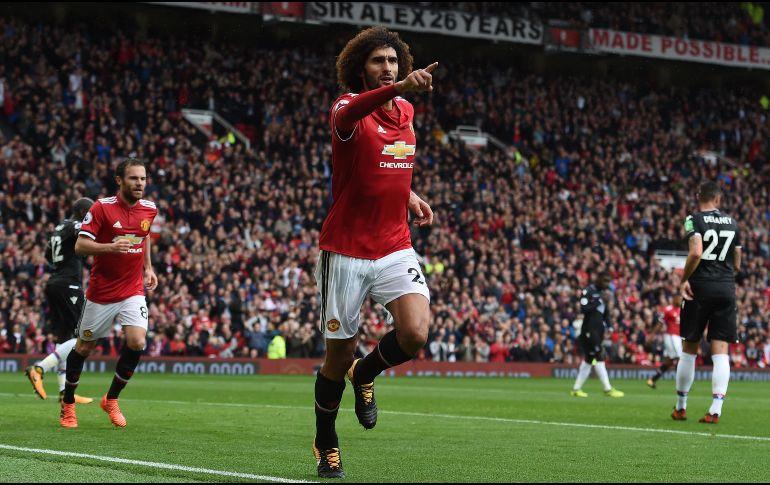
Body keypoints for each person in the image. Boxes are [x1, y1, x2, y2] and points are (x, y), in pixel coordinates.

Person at [311, 26, 436, 479]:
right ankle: (326, 440)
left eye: (393, 61)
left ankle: (365, 373)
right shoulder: (346, 108)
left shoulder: (406, 111)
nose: (387, 67)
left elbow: (391, 161)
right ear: (360, 68)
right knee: (336, 358)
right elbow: (354, 121)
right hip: (345, 250)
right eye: (378, 61)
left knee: (415, 333)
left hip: (394, 244)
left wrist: (409, 195)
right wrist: (397, 87)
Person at [59, 158, 158, 428]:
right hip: (101, 293)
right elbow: (80, 246)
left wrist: (148, 268)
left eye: (143, 178)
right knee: (84, 347)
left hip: (132, 290)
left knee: (137, 342)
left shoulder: (150, 209)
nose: (139, 183)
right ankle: (68, 403)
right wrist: (110, 248)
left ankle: (111, 399)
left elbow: (145, 236)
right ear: (119, 180)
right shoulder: (101, 208)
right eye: (134, 178)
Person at [672, 181, 741, 424]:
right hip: (726, 288)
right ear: (718, 199)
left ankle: (681, 406)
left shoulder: (693, 219)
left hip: (699, 287)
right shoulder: (733, 223)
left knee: (689, 347)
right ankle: (715, 409)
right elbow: (737, 262)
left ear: (698, 196)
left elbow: (696, 251)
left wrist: (684, 280)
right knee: (720, 350)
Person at [25, 197, 95, 404]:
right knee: (85, 336)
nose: (92, 217)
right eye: (90, 213)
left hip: (55, 282)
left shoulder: (58, 228)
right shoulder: (75, 225)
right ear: (82, 212)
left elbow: (49, 255)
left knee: (64, 338)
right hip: (68, 285)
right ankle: (39, 368)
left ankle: (65, 391)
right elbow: (85, 233)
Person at [570, 271, 624, 398]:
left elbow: (605, 313)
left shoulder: (603, 294)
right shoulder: (588, 291)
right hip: (589, 330)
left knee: (589, 359)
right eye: (605, 281)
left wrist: (610, 326)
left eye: (608, 282)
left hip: (598, 330)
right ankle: (607, 389)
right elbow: (584, 308)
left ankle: (576, 389)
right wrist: (599, 301)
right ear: (598, 279)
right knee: (599, 355)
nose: (607, 284)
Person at [646, 295, 683, 389]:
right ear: (674, 299)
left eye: (681, 298)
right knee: (680, 358)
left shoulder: (682, 310)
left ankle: (652, 380)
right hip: (671, 336)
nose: (680, 300)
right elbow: (660, 323)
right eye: (678, 298)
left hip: (678, 337)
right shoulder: (668, 309)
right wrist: (652, 335)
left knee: (669, 362)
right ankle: (681, 384)